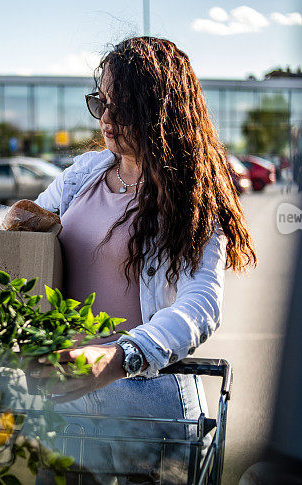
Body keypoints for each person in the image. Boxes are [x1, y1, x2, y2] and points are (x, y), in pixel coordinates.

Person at [31, 37, 257, 483]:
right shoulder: (83, 176)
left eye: (124, 106)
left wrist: (118, 357)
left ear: (160, 110)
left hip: (147, 413)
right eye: (102, 103)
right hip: (70, 405)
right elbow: (26, 238)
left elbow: (201, 305)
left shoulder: (189, 198)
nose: (108, 119)